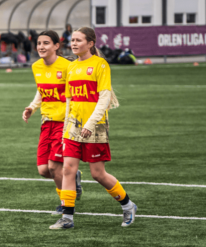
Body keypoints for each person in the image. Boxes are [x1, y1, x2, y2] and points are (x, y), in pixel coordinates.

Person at [50, 27, 138, 230]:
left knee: (98, 174)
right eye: (72, 40)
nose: (73, 43)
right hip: (73, 126)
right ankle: (67, 218)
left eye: (78, 40)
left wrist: (90, 124)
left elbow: (105, 98)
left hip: (95, 126)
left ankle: (128, 205)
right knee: (68, 169)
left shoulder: (100, 64)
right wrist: (66, 129)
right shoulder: (71, 67)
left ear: (90, 43)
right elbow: (70, 100)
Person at [22, 30, 81, 217]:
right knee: (43, 170)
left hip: (64, 123)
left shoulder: (68, 67)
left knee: (54, 168)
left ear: (56, 46)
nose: (41, 46)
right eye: (39, 43)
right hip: (46, 122)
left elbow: (76, 94)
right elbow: (41, 90)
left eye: (46, 43)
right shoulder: (36, 67)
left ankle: (66, 205)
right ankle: (73, 179)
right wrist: (32, 107)